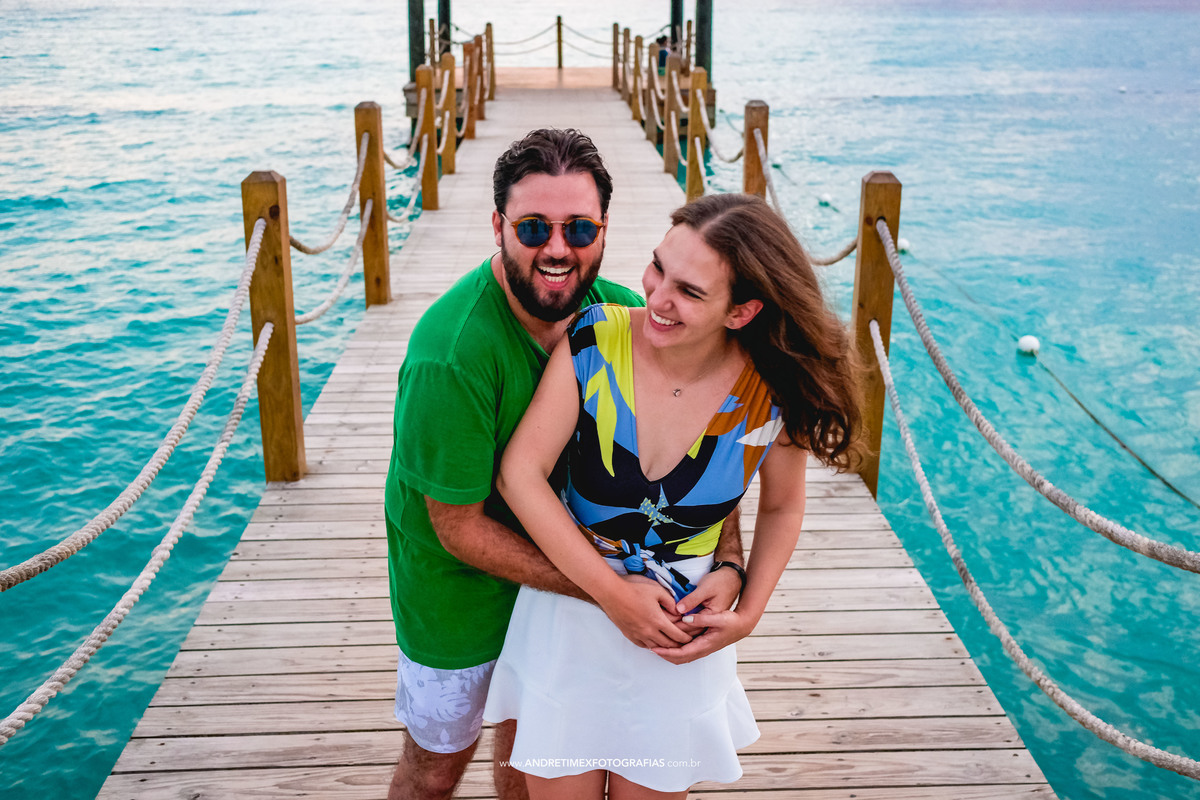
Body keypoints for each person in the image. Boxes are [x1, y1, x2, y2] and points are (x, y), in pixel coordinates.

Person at [383, 129, 746, 800]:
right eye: (532, 228)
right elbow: (457, 527)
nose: (557, 248)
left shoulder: (628, 318)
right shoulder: (451, 353)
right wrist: (607, 590)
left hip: (574, 587)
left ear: (605, 229)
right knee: (435, 770)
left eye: (579, 228)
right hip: (462, 592)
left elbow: (707, 453)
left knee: (529, 760)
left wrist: (729, 562)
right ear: (498, 226)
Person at [486, 193, 865, 798]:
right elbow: (520, 475)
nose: (657, 298)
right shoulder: (594, 338)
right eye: (659, 267)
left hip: (680, 637)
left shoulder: (774, 390)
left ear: (741, 312)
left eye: (689, 291)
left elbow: (781, 505)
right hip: (570, 619)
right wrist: (612, 594)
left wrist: (748, 611)